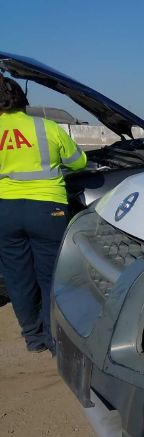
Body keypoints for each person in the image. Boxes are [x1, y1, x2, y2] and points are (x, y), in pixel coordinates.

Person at [0, 76, 87, 353]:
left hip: (6, 210)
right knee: (50, 277)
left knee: (18, 278)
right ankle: (54, 341)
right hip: (48, 208)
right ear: (22, 99)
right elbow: (79, 162)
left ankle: (33, 338)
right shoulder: (47, 127)